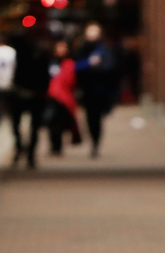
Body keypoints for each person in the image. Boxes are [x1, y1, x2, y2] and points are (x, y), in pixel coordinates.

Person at [74, 23, 116, 158]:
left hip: (101, 90)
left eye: (95, 32)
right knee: (90, 118)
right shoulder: (81, 50)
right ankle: (93, 140)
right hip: (86, 90)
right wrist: (88, 64)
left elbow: (110, 68)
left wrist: (97, 67)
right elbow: (74, 67)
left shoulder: (104, 50)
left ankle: (96, 143)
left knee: (97, 118)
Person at [8, 32, 50, 168]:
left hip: (33, 94)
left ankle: (28, 152)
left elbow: (45, 76)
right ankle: (24, 150)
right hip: (24, 93)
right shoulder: (20, 53)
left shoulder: (37, 55)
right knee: (25, 126)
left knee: (31, 126)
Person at [46, 40, 82, 154]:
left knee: (60, 123)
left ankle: (58, 145)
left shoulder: (69, 63)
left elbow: (71, 80)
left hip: (64, 97)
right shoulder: (51, 62)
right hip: (51, 96)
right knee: (51, 121)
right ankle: (54, 144)